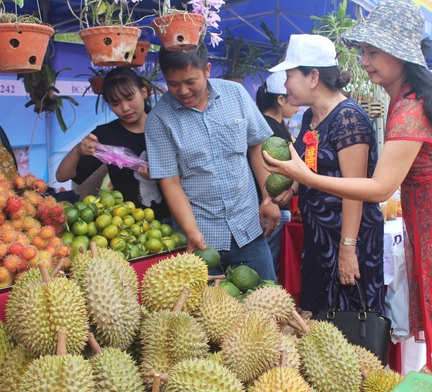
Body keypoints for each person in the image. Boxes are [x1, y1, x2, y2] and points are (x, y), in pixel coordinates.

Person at [263, 0, 432, 381]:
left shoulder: (410, 107)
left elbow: (379, 187)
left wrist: (304, 177)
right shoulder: (401, 100)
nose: (363, 61)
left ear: (400, 54)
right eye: (362, 51)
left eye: (373, 52)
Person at [267, 34, 385, 317]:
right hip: (319, 237)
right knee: (318, 319)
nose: (284, 85)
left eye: (289, 75)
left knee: (349, 326)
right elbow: (312, 165)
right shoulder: (311, 117)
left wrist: (347, 248)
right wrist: (293, 187)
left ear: (313, 77)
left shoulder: (348, 118)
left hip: (349, 237)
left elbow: (354, 190)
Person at [144, 43, 278, 281]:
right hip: (201, 240)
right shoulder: (159, 120)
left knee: (267, 308)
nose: (183, 91)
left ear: (206, 69)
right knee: (206, 315)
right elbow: (170, 181)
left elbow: (256, 144)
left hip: (248, 228)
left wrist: (268, 196)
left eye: (190, 81)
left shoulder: (235, 94)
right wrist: (191, 231)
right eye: (173, 84)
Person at [56, 67, 170, 221]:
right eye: (115, 103)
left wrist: (159, 176)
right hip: (127, 225)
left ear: (144, 92)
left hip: (173, 218)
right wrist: (77, 150)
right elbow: (62, 176)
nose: (125, 108)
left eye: (129, 98)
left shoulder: (166, 127)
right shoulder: (105, 135)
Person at [254, 71, 298, 277]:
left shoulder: (274, 125)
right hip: (273, 208)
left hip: (275, 206)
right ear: (281, 99)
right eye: (292, 96)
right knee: (269, 272)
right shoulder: (268, 129)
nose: (297, 103)